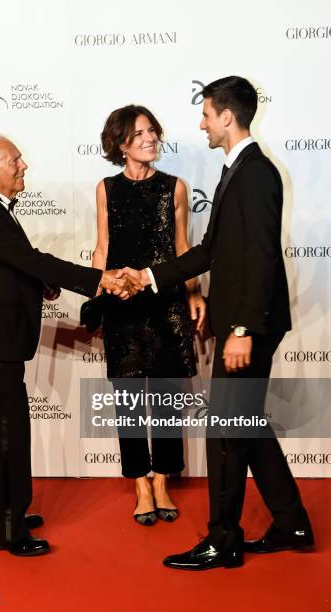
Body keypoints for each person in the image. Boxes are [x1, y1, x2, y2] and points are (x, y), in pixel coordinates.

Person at [119, 77, 314, 568]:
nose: (201, 122)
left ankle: (222, 540)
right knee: (247, 425)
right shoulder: (237, 169)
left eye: (205, 114)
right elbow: (209, 253)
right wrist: (147, 275)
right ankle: (291, 522)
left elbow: (264, 257)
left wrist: (242, 329)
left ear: (227, 116)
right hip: (240, 323)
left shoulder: (256, 173)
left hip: (248, 328)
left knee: (226, 432)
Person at [0, 134, 140, 556]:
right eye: (15, 160)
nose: (24, 165)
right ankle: (9, 527)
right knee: (8, 434)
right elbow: (31, 259)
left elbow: (19, 261)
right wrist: (99, 279)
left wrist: (43, 284)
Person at [92, 106, 206, 526]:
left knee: (168, 397)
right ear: (121, 143)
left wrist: (194, 294)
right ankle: (140, 481)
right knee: (128, 400)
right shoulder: (106, 188)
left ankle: (162, 479)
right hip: (123, 304)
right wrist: (99, 287)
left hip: (166, 303)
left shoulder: (175, 187)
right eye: (139, 133)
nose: (150, 137)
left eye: (152, 130)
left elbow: (183, 248)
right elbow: (102, 247)